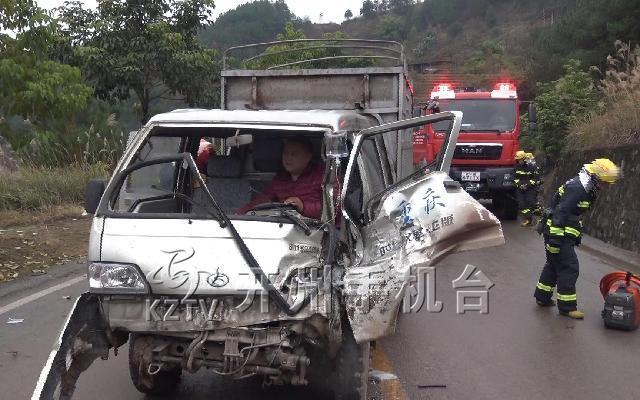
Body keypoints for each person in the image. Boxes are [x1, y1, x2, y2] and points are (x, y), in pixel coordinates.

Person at [533, 158, 620, 319]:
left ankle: (542, 298)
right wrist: (556, 241)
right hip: (557, 232)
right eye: (604, 183)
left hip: (556, 231)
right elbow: (561, 214)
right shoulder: (578, 188)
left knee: (553, 264)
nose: (606, 187)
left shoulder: (585, 186)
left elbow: (571, 214)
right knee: (569, 268)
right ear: (595, 177)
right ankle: (567, 307)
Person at [239, 137, 324, 219]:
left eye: (294, 154)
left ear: (308, 157)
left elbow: (332, 209)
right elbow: (263, 200)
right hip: (285, 226)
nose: (288, 158)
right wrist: (240, 214)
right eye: (285, 153)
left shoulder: (322, 176)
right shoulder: (280, 179)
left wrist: (303, 206)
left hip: (315, 229)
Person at [514, 150, 540, 227]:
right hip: (520, 189)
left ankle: (538, 215)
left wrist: (527, 185)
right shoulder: (516, 168)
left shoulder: (532, 167)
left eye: (520, 160)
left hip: (530, 188)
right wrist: (519, 185)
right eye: (518, 160)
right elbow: (514, 178)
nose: (519, 161)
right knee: (522, 204)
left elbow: (535, 178)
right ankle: (528, 219)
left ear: (524, 159)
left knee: (531, 202)